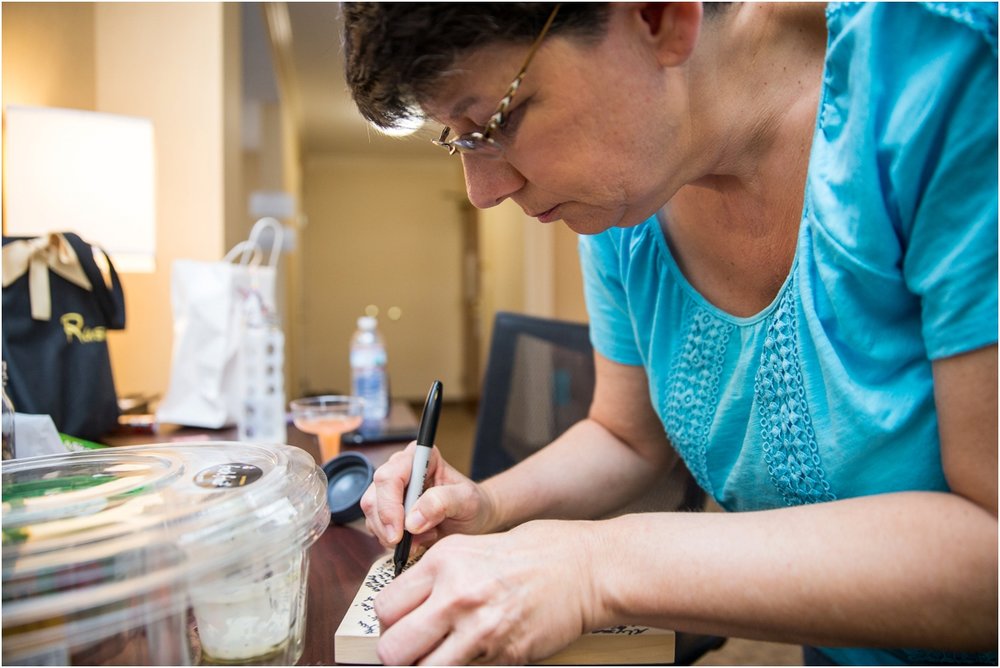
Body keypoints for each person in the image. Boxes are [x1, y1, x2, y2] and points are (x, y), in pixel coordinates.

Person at [342, 3, 998, 665]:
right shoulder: (627, 197)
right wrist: (486, 502)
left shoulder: (944, 65)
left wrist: (594, 567)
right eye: (459, 138)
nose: (481, 191)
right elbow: (624, 437)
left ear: (657, 17)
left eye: (498, 120)